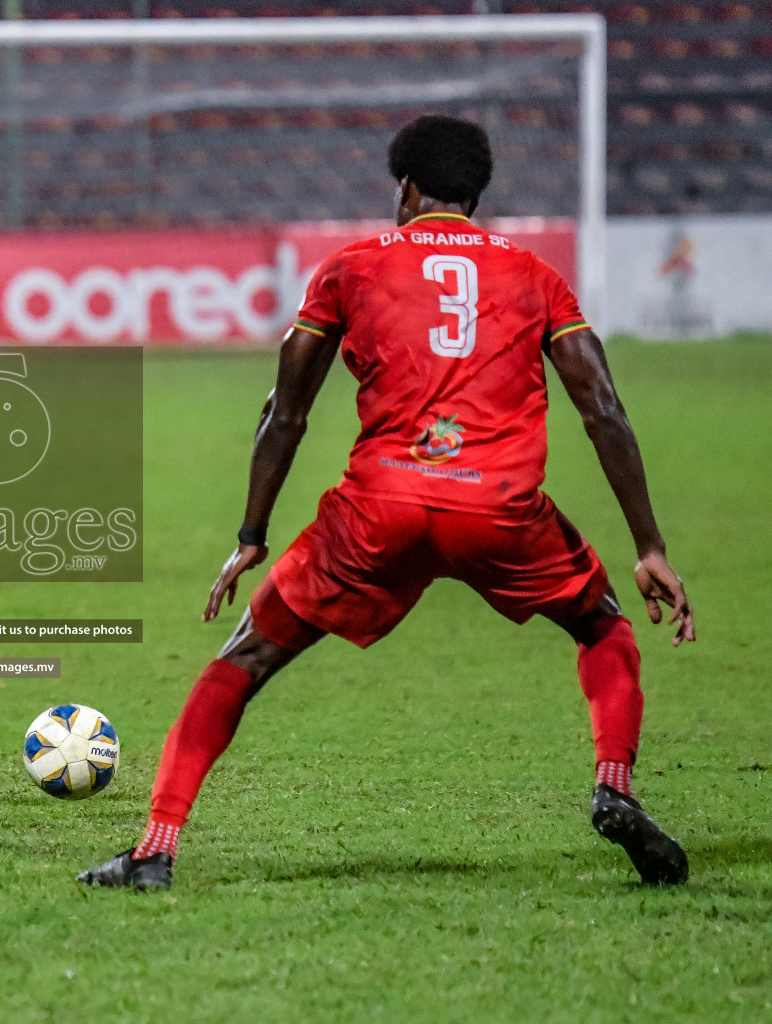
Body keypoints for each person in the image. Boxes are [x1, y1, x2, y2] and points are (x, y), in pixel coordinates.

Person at [79, 115, 695, 891]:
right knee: (603, 626)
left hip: (379, 510)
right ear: (476, 193)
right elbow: (602, 407)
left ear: (406, 189)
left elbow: (286, 412)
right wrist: (649, 547)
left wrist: (251, 534)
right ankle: (614, 786)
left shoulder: (351, 266)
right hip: (500, 510)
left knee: (244, 661)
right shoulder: (537, 276)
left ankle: (154, 849)